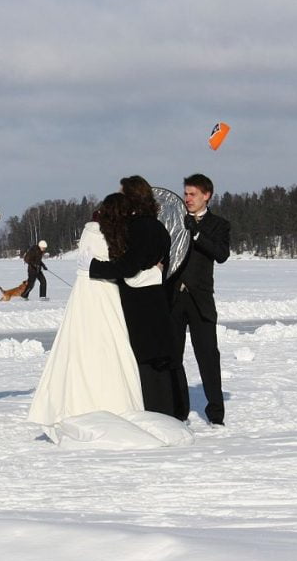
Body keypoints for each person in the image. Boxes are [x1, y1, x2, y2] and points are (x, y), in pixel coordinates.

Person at [27, 193, 143, 426]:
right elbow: (117, 263)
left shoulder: (90, 231)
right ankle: (114, 402)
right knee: (109, 343)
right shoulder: (104, 234)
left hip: (84, 294)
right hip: (103, 291)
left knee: (80, 345)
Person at [89, 176, 179, 417]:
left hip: (138, 303)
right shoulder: (159, 227)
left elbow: (128, 267)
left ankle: (157, 417)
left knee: (145, 363)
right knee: (159, 362)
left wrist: (94, 268)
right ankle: (169, 413)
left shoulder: (136, 227)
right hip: (157, 299)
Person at [169, 173, 230, 426]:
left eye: (192, 194)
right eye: (185, 194)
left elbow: (221, 254)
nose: (187, 199)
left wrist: (196, 234)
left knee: (207, 356)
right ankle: (179, 411)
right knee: (172, 356)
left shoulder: (219, 224)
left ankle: (215, 414)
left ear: (207, 196)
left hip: (201, 300)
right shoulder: (174, 222)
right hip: (173, 297)